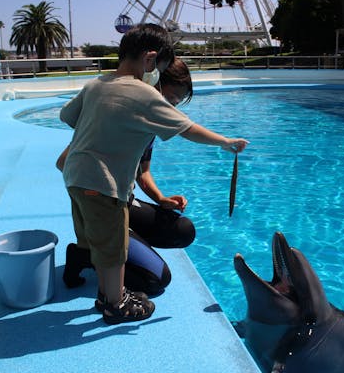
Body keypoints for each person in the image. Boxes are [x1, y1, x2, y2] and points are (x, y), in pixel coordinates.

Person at [59, 23, 248, 325]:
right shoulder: (144, 95)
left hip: (75, 180)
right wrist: (225, 141)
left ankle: (106, 293)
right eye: (159, 68)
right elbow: (187, 128)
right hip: (104, 185)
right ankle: (114, 303)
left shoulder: (96, 85)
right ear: (149, 60)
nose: (157, 75)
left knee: (104, 240)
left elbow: (67, 116)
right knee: (113, 248)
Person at [59, 57, 197, 294]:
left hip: (123, 202)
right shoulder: (115, 115)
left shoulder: (151, 123)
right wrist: (101, 194)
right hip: (105, 205)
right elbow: (64, 162)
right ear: (151, 86)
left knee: (183, 231)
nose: (172, 106)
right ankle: (86, 254)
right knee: (156, 279)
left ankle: (120, 238)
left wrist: (161, 199)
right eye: (170, 97)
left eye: (177, 101)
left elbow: (144, 173)